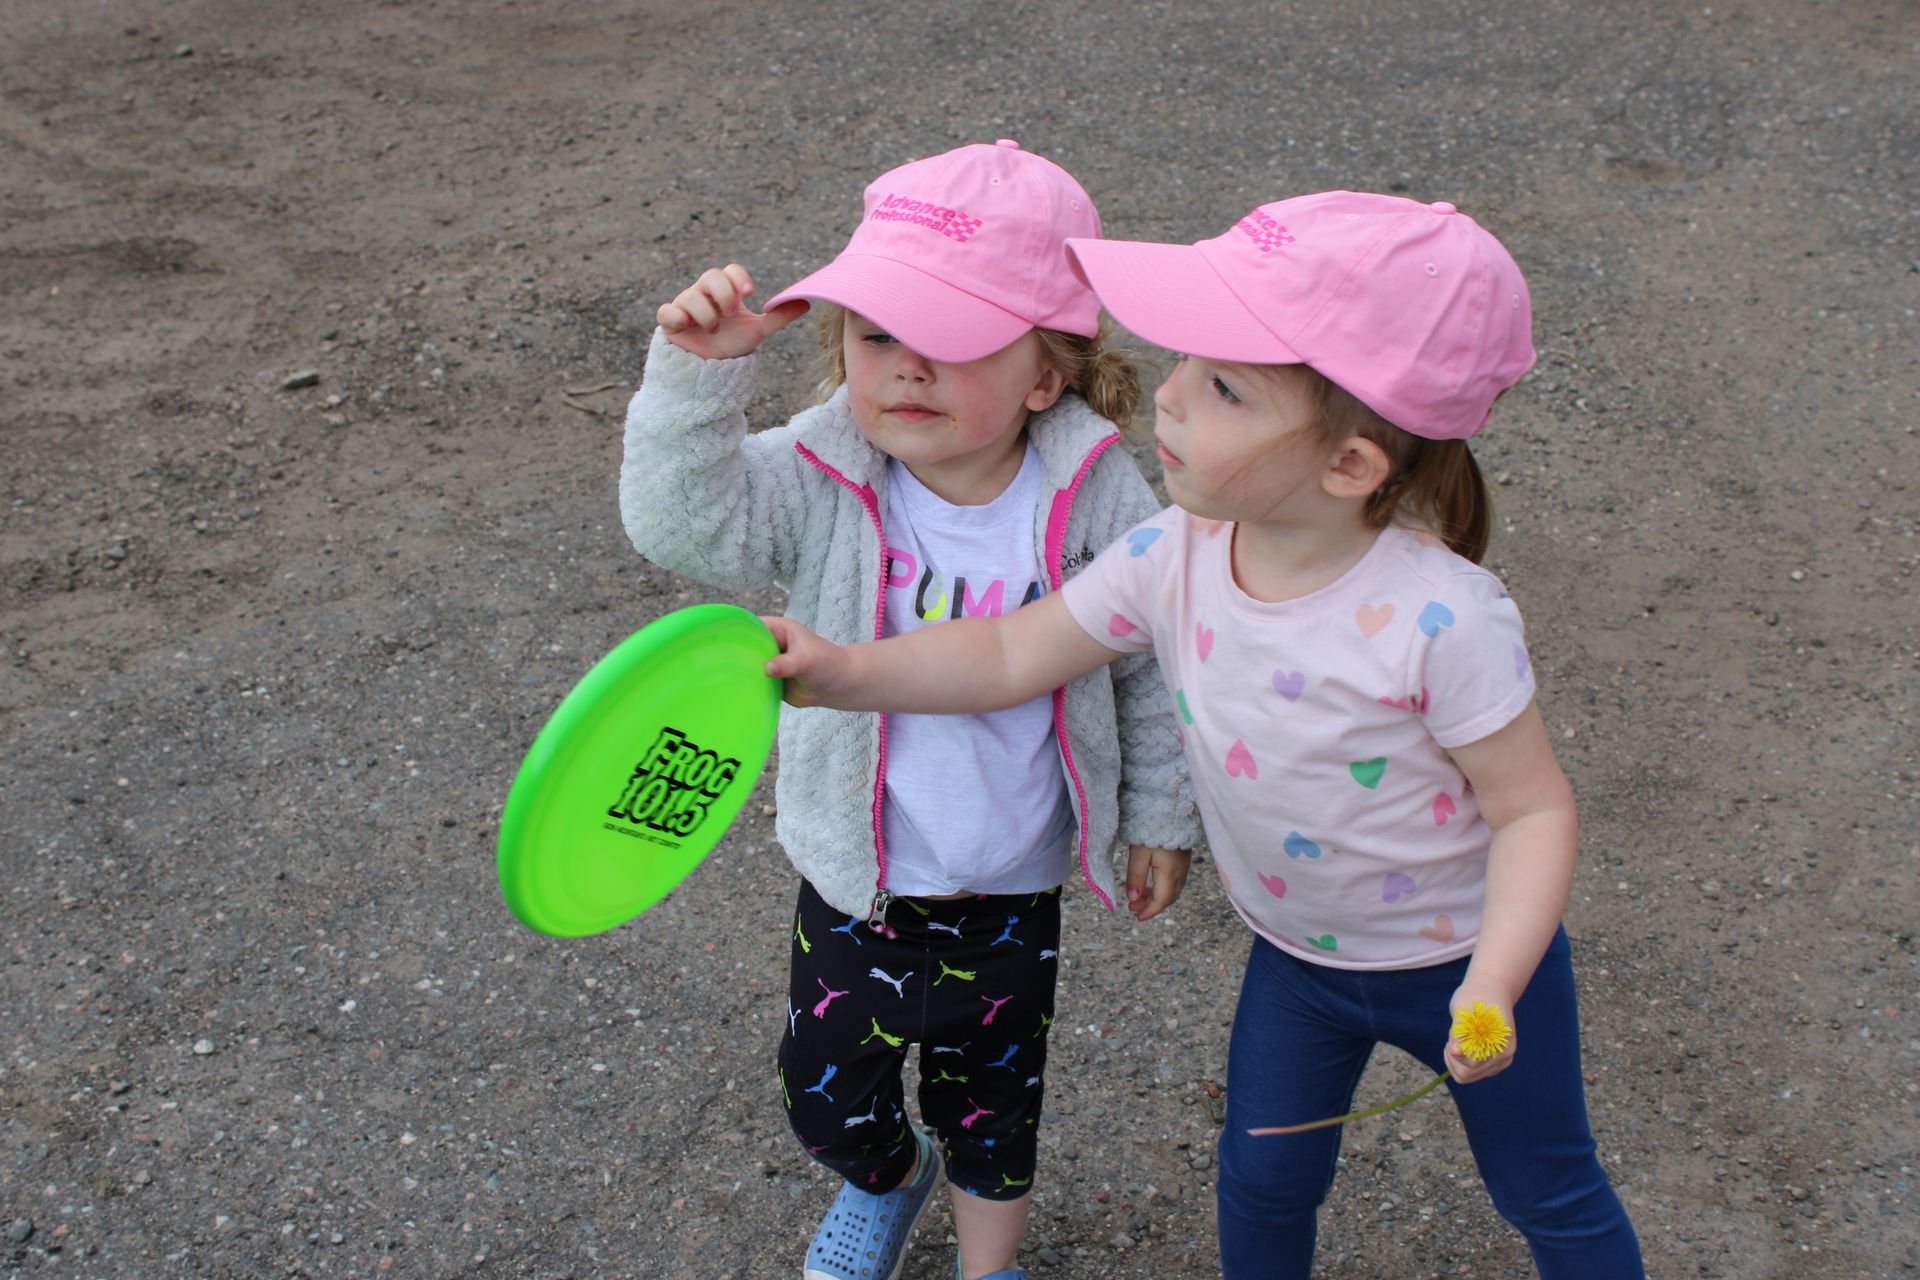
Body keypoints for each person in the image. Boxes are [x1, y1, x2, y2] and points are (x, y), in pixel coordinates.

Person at [763, 191, 1646, 1278]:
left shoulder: (1445, 617)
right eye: (1184, 363)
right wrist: (847, 670)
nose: (1167, 399)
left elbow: (1533, 806)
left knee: (1547, 1185)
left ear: (1353, 466)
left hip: (1466, 965)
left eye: (1222, 386)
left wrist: (1497, 976)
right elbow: (1004, 653)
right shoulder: (1172, 551)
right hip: (1297, 962)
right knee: (1264, 1178)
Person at [620, 139, 1200, 1280]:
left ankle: (992, 1264)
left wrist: (1160, 814)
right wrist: (696, 379)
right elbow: (684, 530)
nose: (906, 368)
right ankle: (885, 1176)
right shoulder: (824, 470)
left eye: (956, 341)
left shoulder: (1092, 490)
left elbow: (1147, 657)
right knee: (825, 1094)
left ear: (1048, 373)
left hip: (1013, 880)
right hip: (859, 881)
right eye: (879, 331)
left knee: (995, 1107)